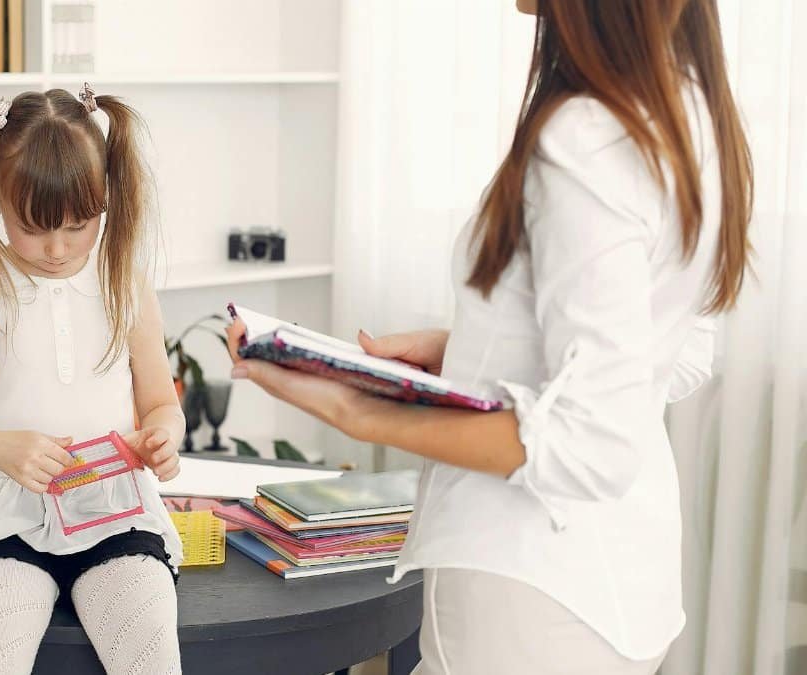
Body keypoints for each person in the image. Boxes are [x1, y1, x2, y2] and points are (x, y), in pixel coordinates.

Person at [227, 1, 752, 672]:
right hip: (624, 584)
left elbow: (593, 442)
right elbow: (669, 354)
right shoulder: (689, 117)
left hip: (528, 588)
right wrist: (470, 348)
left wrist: (366, 412)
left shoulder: (585, 139)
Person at [0, 83, 185, 675]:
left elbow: (161, 402)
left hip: (117, 512)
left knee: (150, 658)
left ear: (106, 197)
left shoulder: (125, 282)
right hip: (7, 519)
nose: (59, 248)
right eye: (34, 226)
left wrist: (164, 435)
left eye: (78, 224)